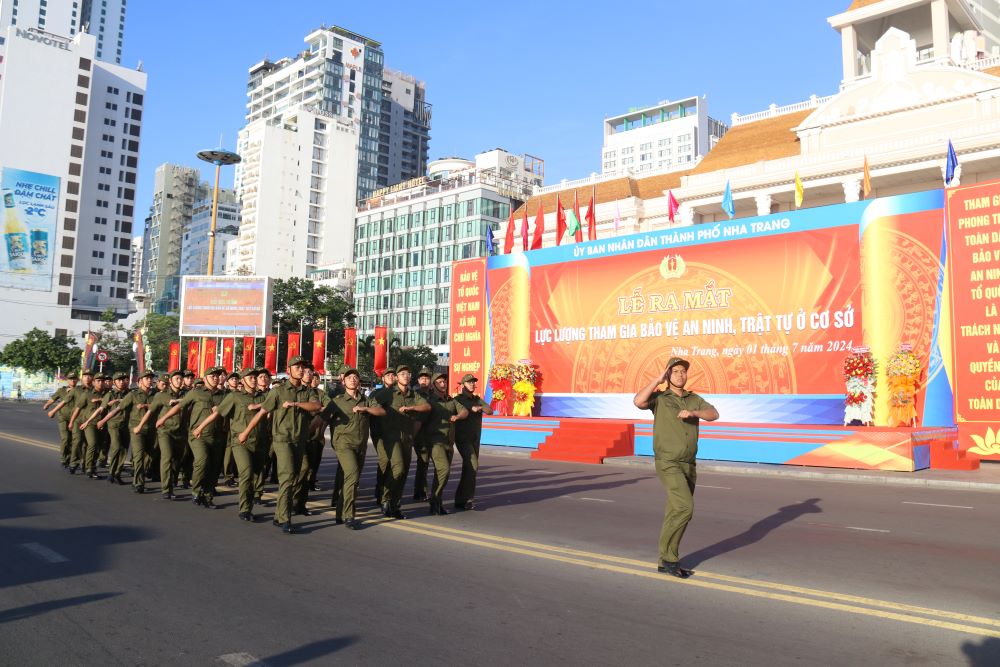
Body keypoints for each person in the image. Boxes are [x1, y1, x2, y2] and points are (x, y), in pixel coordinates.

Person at [633, 357, 718, 578]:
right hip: (668, 462)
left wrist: (694, 413)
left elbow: (713, 414)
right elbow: (638, 401)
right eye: (675, 371)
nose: (680, 375)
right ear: (668, 375)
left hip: (688, 463)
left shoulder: (693, 399)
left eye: (683, 371)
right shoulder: (660, 398)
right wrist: (657, 380)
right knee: (684, 508)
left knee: (675, 511)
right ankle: (670, 559)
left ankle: (664, 560)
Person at [258, 356, 323, 534]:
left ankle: (278, 515)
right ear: (289, 370)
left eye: (303, 367)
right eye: (297, 367)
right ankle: (285, 518)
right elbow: (263, 412)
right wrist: (246, 432)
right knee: (287, 477)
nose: (301, 370)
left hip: (299, 440)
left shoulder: (307, 391)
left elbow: (316, 406)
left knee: (293, 477)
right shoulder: (278, 391)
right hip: (281, 439)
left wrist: (296, 404)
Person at [194, 368, 266, 521]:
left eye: (255, 377)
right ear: (243, 380)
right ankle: (245, 510)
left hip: (260, 442)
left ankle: (249, 504)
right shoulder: (234, 396)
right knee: (246, 473)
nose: (254, 380)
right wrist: (200, 427)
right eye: (250, 377)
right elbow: (217, 413)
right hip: (241, 442)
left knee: (256, 475)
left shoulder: (263, 396)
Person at [317, 367, 385, 529]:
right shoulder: (338, 401)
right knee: (352, 476)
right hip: (343, 444)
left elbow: (381, 411)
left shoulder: (365, 400)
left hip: (360, 444)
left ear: (359, 381)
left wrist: (365, 409)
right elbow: (322, 419)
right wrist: (315, 435)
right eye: (349, 377)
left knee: (350, 479)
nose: (353, 379)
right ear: (343, 382)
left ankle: (340, 512)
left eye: (355, 377)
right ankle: (349, 515)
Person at [161, 367, 226, 508]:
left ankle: (207, 496)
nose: (216, 378)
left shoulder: (224, 395)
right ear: (205, 378)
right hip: (198, 435)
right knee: (202, 461)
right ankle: (196, 491)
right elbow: (180, 406)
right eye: (212, 376)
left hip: (217, 436)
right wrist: (163, 418)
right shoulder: (196, 392)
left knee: (214, 467)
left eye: (217, 376)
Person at [373, 365, 430, 519]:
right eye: (402, 373)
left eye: (408, 373)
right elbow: (372, 404)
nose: (405, 376)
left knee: (403, 473)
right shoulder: (387, 393)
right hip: (391, 437)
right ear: (397, 377)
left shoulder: (413, 394)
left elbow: (426, 406)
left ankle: (395, 505)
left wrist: (412, 408)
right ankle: (385, 498)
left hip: (407, 438)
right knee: (398, 468)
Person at [100, 370, 157, 490]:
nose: (150, 380)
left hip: (150, 429)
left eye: (151, 378)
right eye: (147, 378)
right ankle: (137, 483)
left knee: (145, 455)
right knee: (132, 453)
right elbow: (118, 409)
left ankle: (117, 473)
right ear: (140, 381)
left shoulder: (155, 395)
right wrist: (103, 421)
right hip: (134, 428)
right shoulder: (133, 395)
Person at [422, 372, 468, 515]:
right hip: (435, 441)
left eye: (444, 381)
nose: (443, 384)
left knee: (442, 474)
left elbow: (464, 411)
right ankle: (434, 499)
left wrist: (458, 416)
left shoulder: (451, 400)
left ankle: (437, 503)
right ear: (433, 385)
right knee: (444, 470)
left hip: (449, 442)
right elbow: (420, 420)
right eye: (439, 382)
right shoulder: (429, 401)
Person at [139, 370, 185, 498]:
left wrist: (179, 400)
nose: (179, 381)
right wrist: (140, 426)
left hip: (181, 432)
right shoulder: (161, 395)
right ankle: (166, 489)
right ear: (170, 381)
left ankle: (172, 482)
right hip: (165, 431)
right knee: (167, 457)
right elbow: (150, 411)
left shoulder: (187, 394)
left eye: (181, 378)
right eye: (176, 378)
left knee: (177, 460)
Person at [453, 373, 492, 511]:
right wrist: (471, 408)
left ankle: (461, 500)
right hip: (463, 438)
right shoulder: (458, 400)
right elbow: (458, 412)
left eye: (474, 382)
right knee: (473, 466)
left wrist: (480, 407)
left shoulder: (477, 399)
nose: (472, 384)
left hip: (475, 438)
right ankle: (466, 499)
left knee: (469, 469)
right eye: (469, 382)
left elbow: (490, 410)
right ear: (463, 385)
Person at [368, 367, 396, 506]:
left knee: (394, 463)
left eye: (393, 375)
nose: (391, 376)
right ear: (383, 378)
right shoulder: (376, 393)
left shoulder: (399, 392)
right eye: (388, 375)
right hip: (380, 432)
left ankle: (387, 492)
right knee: (385, 461)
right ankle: (381, 491)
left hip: (396, 432)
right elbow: (372, 409)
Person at [44, 372, 79, 467]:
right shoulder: (62, 390)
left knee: (74, 439)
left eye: (74, 378)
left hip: (76, 418)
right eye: (71, 379)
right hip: (63, 417)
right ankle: (63, 458)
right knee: (65, 438)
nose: (73, 380)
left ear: (77, 380)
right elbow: (53, 398)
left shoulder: (80, 390)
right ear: (67, 380)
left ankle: (71, 458)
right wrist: (47, 405)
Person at [411, 366, 434, 501]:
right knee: (423, 462)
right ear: (418, 380)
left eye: (427, 378)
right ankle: (420, 491)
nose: (424, 380)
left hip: (434, 433)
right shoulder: (414, 395)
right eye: (422, 378)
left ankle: (426, 491)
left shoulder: (434, 394)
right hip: (420, 433)